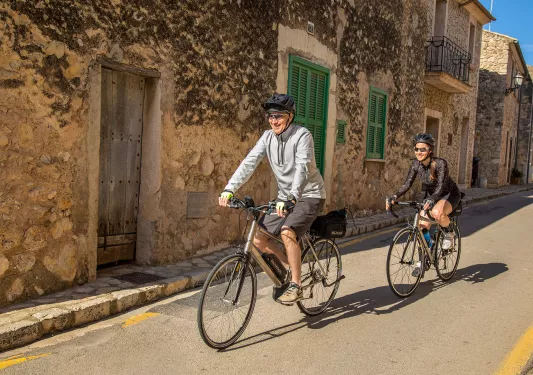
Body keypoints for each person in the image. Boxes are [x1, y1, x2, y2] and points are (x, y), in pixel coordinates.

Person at [219, 93, 326, 304]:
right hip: (284, 198)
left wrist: (292, 197)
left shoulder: (302, 135)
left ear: (290, 117)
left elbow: (301, 168)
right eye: (270, 116)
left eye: (279, 116)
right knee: (258, 237)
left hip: (309, 195)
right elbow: (249, 162)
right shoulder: (267, 137)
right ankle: (289, 268)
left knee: (287, 232)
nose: (274, 120)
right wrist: (229, 188)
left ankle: (296, 285)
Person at [386, 133, 462, 275]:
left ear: (430, 150)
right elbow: (407, 183)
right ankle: (423, 259)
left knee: (437, 213)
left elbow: (440, 185)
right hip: (431, 196)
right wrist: (395, 196)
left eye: (422, 149)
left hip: (449, 194)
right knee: (421, 226)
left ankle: (449, 232)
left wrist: (432, 199)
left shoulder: (440, 163)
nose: (418, 152)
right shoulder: (416, 165)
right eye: (416, 149)